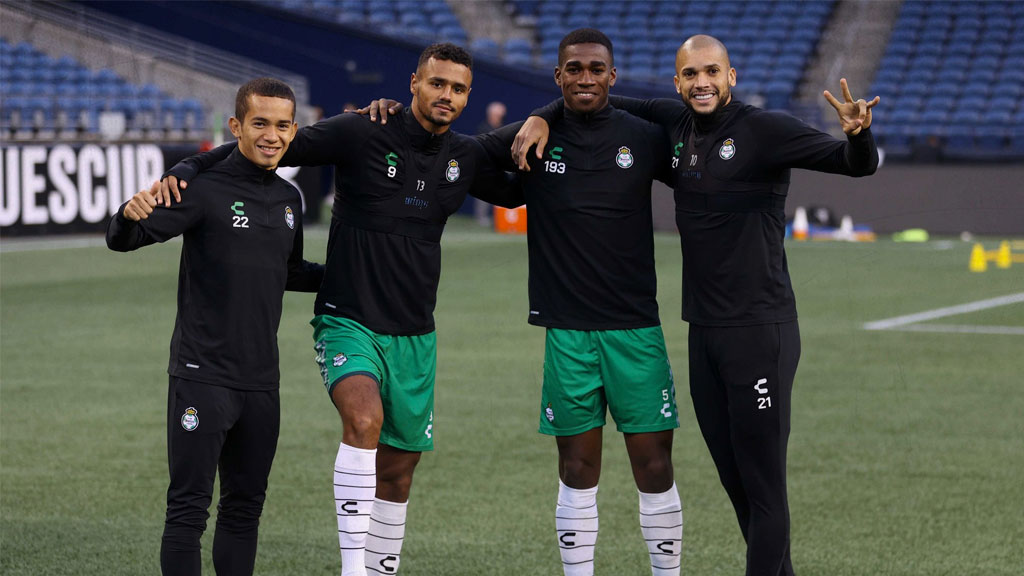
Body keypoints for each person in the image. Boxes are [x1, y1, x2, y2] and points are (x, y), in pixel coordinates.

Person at [514, 34, 879, 576]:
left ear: (731, 76)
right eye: (690, 74)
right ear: (677, 82)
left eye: (712, 72)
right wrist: (541, 116)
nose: (701, 82)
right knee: (737, 485)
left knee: (763, 487)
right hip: (703, 332)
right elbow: (592, 99)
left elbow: (855, 164)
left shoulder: (764, 129)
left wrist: (858, 135)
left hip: (758, 330)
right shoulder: (675, 124)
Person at [159, 44, 521, 576]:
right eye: (436, 83)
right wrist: (191, 164)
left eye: (458, 88)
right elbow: (270, 144)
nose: (446, 95)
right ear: (414, 82)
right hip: (347, 317)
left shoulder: (463, 156)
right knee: (364, 417)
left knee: (398, 472)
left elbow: (515, 194)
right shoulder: (362, 132)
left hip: (416, 332)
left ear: (467, 96)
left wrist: (546, 125)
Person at [366, 28, 684, 576]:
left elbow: (700, 147)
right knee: (577, 467)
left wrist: (545, 111)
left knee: (654, 465)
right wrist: (393, 117)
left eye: (596, 69)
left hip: (636, 329)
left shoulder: (647, 136)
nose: (585, 78)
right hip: (566, 331)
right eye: (574, 70)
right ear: (557, 76)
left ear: (613, 76)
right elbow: (452, 149)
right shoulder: (532, 137)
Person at [106, 77, 324, 576]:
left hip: (261, 383)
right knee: (188, 511)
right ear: (236, 126)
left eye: (282, 125)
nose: (271, 135)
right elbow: (125, 238)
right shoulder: (201, 189)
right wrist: (125, 216)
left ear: (294, 130)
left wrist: (350, 278)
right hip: (202, 377)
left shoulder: (290, 200)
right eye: (259, 123)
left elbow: (288, 272)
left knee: (244, 511)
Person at [472, 100, 507, 226]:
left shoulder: (502, 127)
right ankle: (481, 217)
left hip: (499, 165)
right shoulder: (483, 128)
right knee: (483, 191)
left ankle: (501, 217)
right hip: (485, 166)